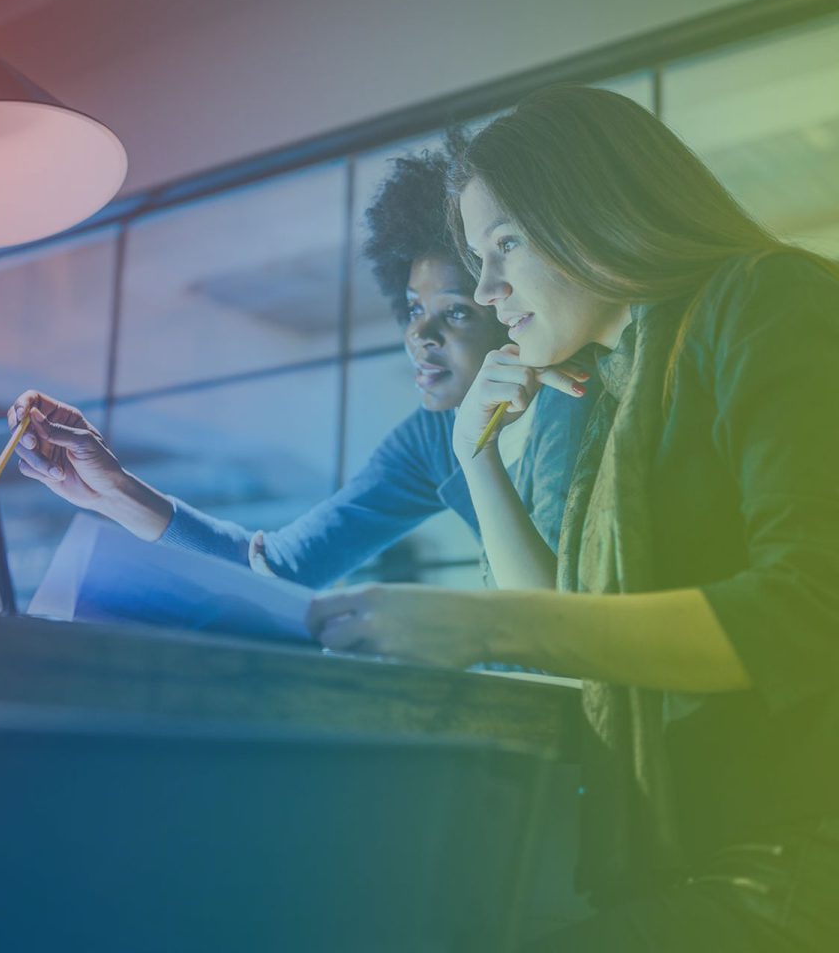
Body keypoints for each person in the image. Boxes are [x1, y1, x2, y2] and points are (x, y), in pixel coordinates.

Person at [308, 85, 839, 951]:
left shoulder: (765, 299)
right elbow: (563, 633)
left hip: (791, 865)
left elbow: (811, 609)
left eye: (505, 243)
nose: (486, 286)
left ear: (596, 210)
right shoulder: (613, 386)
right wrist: (474, 452)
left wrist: (481, 623)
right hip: (702, 856)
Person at [10, 143, 592, 590]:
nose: (420, 335)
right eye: (414, 309)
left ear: (505, 305)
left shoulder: (583, 400)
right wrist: (110, 490)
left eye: (457, 312)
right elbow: (281, 569)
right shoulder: (434, 437)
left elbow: (572, 614)